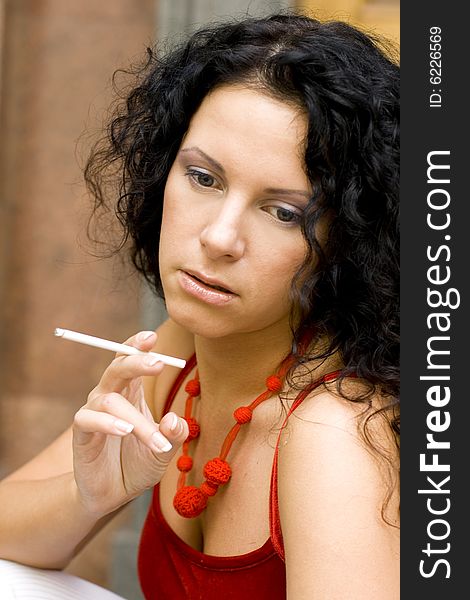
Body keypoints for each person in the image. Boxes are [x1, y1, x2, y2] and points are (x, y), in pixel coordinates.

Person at [0, 12, 400, 600]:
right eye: (204, 177)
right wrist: (92, 495)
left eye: (284, 211)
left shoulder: (330, 433)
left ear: (349, 240)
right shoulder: (183, 349)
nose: (218, 237)